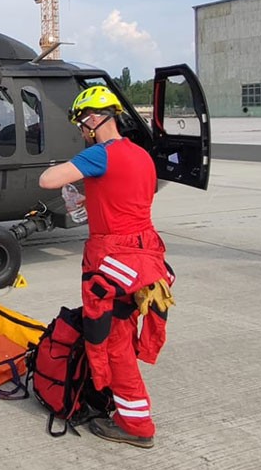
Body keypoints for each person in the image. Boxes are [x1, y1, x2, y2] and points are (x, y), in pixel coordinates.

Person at [38, 85, 172, 449]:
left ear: (95, 119)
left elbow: (47, 180)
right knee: (124, 332)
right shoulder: (141, 155)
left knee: (113, 344)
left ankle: (137, 424)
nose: (82, 131)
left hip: (114, 257)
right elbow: (133, 194)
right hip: (146, 256)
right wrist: (92, 195)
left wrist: (72, 173)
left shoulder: (101, 154)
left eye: (83, 124)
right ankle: (117, 402)